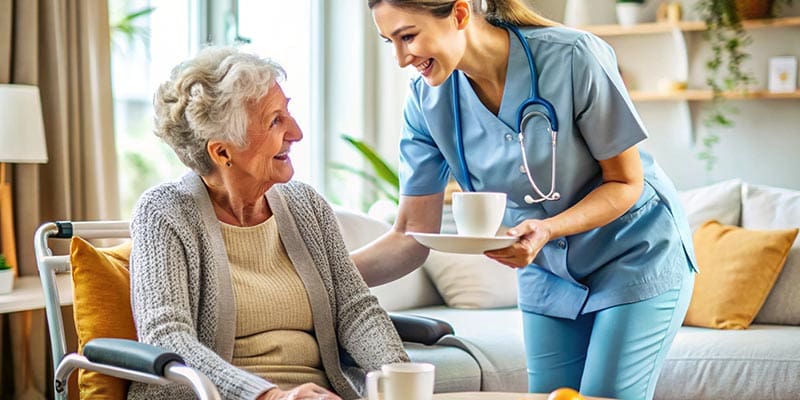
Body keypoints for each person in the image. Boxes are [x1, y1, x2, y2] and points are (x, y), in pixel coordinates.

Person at [356, 1, 697, 399]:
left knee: (605, 395)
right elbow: (412, 235)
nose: (400, 59)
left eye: (408, 37)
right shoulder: (426, 102)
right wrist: (316, 280)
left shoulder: (573, 57)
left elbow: (625, 182)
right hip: (548, 270)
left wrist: (547, 229)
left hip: (634, 255)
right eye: (389, 43)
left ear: (460, 14)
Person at [128, 46, 409, 400]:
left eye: (287, 112)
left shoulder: (306, 206)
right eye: (275, 120)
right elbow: (167, 337)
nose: (296, 132)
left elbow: (355, 309)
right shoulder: (164, 212)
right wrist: (270, 396)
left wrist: (398, 378)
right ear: (222, 151)